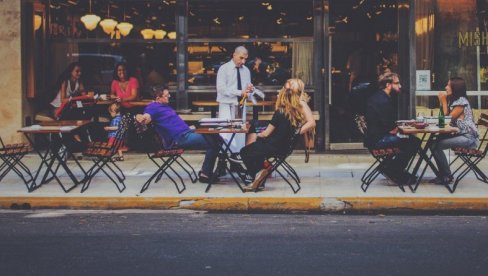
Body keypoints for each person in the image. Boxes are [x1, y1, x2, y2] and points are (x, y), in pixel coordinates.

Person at [136, 86, 219, 183]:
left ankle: (207, 171)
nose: (169, 96)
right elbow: (146, 117)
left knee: (215, 136)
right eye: (167, 95)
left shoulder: (164, 106)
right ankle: (206, 173)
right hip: (180, 138)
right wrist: (139, 117)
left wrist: (189, 128)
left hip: (187, 132)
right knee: (214, 142)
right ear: (158, 98)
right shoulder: (152, 107)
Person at [237, 78, 307, 191]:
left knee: (245, 151)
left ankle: (258, 175)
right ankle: (259, 179)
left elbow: (266, 134)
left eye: (280, 93)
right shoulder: (296, 113)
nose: (278, 94)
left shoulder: (280, 112)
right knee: (256, 149)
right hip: (284, 148)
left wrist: (256, 135)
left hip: (274, 147)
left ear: (283, 97)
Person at [364, 72, 420, 184]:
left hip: (375, 137)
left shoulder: (380, 97)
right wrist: (405, 128)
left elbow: (390, 125)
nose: (400, 86)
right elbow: (391, 128)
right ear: (388, 85)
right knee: (413, 142)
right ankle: (393, 171)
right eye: (397, 83)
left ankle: (391, 168)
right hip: (378, 140)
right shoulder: (383, 101)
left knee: (411, 141)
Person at [430, 77, 479, 184]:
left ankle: (446, 175)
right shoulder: (455, 101)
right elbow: (445, 117)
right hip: (461, 135)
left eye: (448, 85)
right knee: (434, 144)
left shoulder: (461, 102)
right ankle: (443, 175)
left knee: (435, 146)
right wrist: (443, 102)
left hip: (468, 138)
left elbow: (447, 120)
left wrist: (443, 101)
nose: (445, 87)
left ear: (455, 88)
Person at [216, 46, 254, 154]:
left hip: (240, 105)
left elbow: (247, 89)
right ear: (234, 55)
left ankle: (236, 160)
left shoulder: (246, 70)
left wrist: (251, 90)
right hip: (226, 105)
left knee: (240, 134)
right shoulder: (224, 69)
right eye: (241, 58)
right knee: (225, 132)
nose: (243, 61)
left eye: (245, 59)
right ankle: (223, 160)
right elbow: (221, 89)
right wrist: (240, 92)